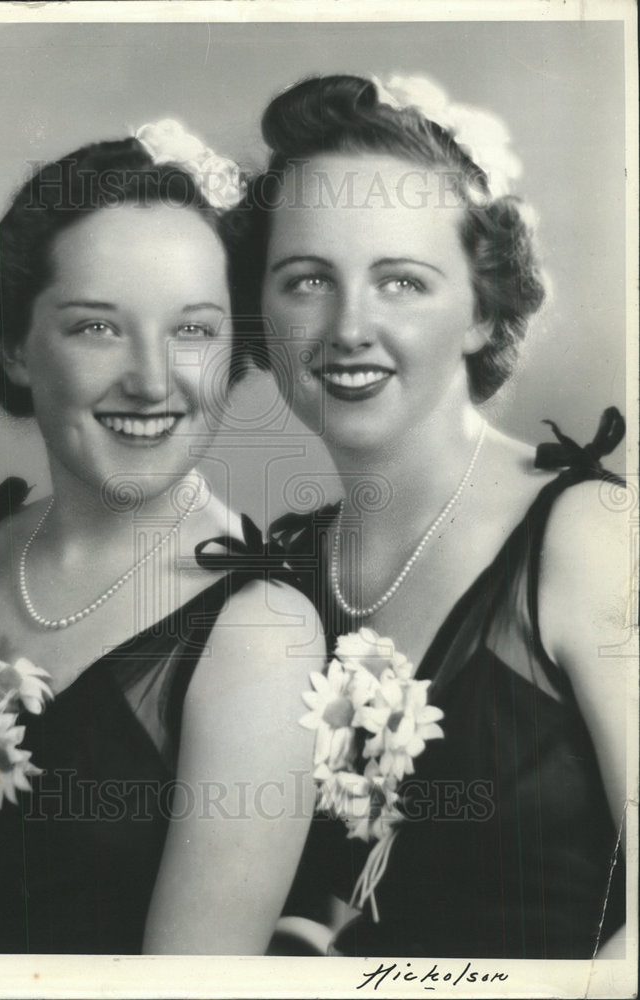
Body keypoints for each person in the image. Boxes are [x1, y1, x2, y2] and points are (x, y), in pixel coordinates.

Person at [0, 126, 321, 955]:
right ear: (15, 346)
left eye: (193, 330)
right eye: (97, 328)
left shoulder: (261, 635)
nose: (152, 380)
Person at [230, 74, 631, 958]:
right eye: (305, 281)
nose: (347, 327)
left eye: (402, 282)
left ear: (483, 311)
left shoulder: (589, 535)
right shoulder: (278, 574)